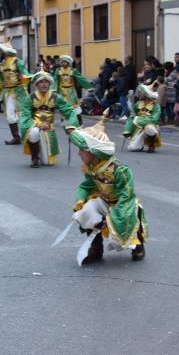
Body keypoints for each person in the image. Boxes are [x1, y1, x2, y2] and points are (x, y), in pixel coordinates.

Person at [68, 111, 148, 264]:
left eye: (81, 149)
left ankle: (138, 246)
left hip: (122, 204)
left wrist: (113, 216)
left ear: (93, 151)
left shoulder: (120, 170)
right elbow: (87, 186)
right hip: (104, 200)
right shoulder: (91, 167)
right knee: (87, 210)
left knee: (130, 217)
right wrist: (80, 200)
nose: (78, 153)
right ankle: (96, 249)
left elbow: (127, 196)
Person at [18, 71, 79, 168]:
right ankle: (35, 157)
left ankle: (41, 153)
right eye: (41, 82)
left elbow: (69, 111)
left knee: (47, 163)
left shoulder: (55, 97)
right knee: (34, 132)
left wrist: (70, 126)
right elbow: (25, 116)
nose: (44, 84)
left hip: (49, 130)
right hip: (35, 127)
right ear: (36, 84)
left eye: (46, 82)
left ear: (50, 84)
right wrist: (38, 125)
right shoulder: (30, 98)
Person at [0, 40, 32, 144]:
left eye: (2, 51)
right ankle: (16, 137)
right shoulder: (1, 65)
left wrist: (27, 77)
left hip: (19, 92)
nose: (1, 53)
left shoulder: (17, 62)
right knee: (10, 116)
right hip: (8, 93)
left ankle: (30, 136)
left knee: (24, 114)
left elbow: (25, 74)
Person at [52, 54, 91, 125]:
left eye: (65, 62)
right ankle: (65, 120)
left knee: (74, 106)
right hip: (62, 91)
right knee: (63, 106)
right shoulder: (58, 70)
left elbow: (81, 78)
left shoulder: (73, 70)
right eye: (62, 62)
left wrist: (89, 87)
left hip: (71, 91)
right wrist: (53, 89)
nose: (64, 63)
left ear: (68, 63)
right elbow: (55, 80)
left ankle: (78, 119)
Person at [123, 83, 161, 153]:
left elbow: (154, 119)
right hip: (139, 128)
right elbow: (132, 115)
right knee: (132, 148)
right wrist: (128, 128)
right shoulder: (138, 103)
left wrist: (139, 120)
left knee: (149, 128)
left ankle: (151, 144)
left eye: (141, 93)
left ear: (146, 95)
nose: (139, 94)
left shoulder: (156, 106)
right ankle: (141, 143)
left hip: (150, 125)